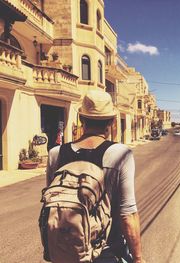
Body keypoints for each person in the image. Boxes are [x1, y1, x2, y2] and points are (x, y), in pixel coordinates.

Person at [46, 89, 145, 263]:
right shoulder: (120, 154)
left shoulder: (55, 154)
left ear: (81, 119)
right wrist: (138, 259)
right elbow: (127, 214)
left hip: (64, 251)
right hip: (105, 252)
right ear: (112, 122)